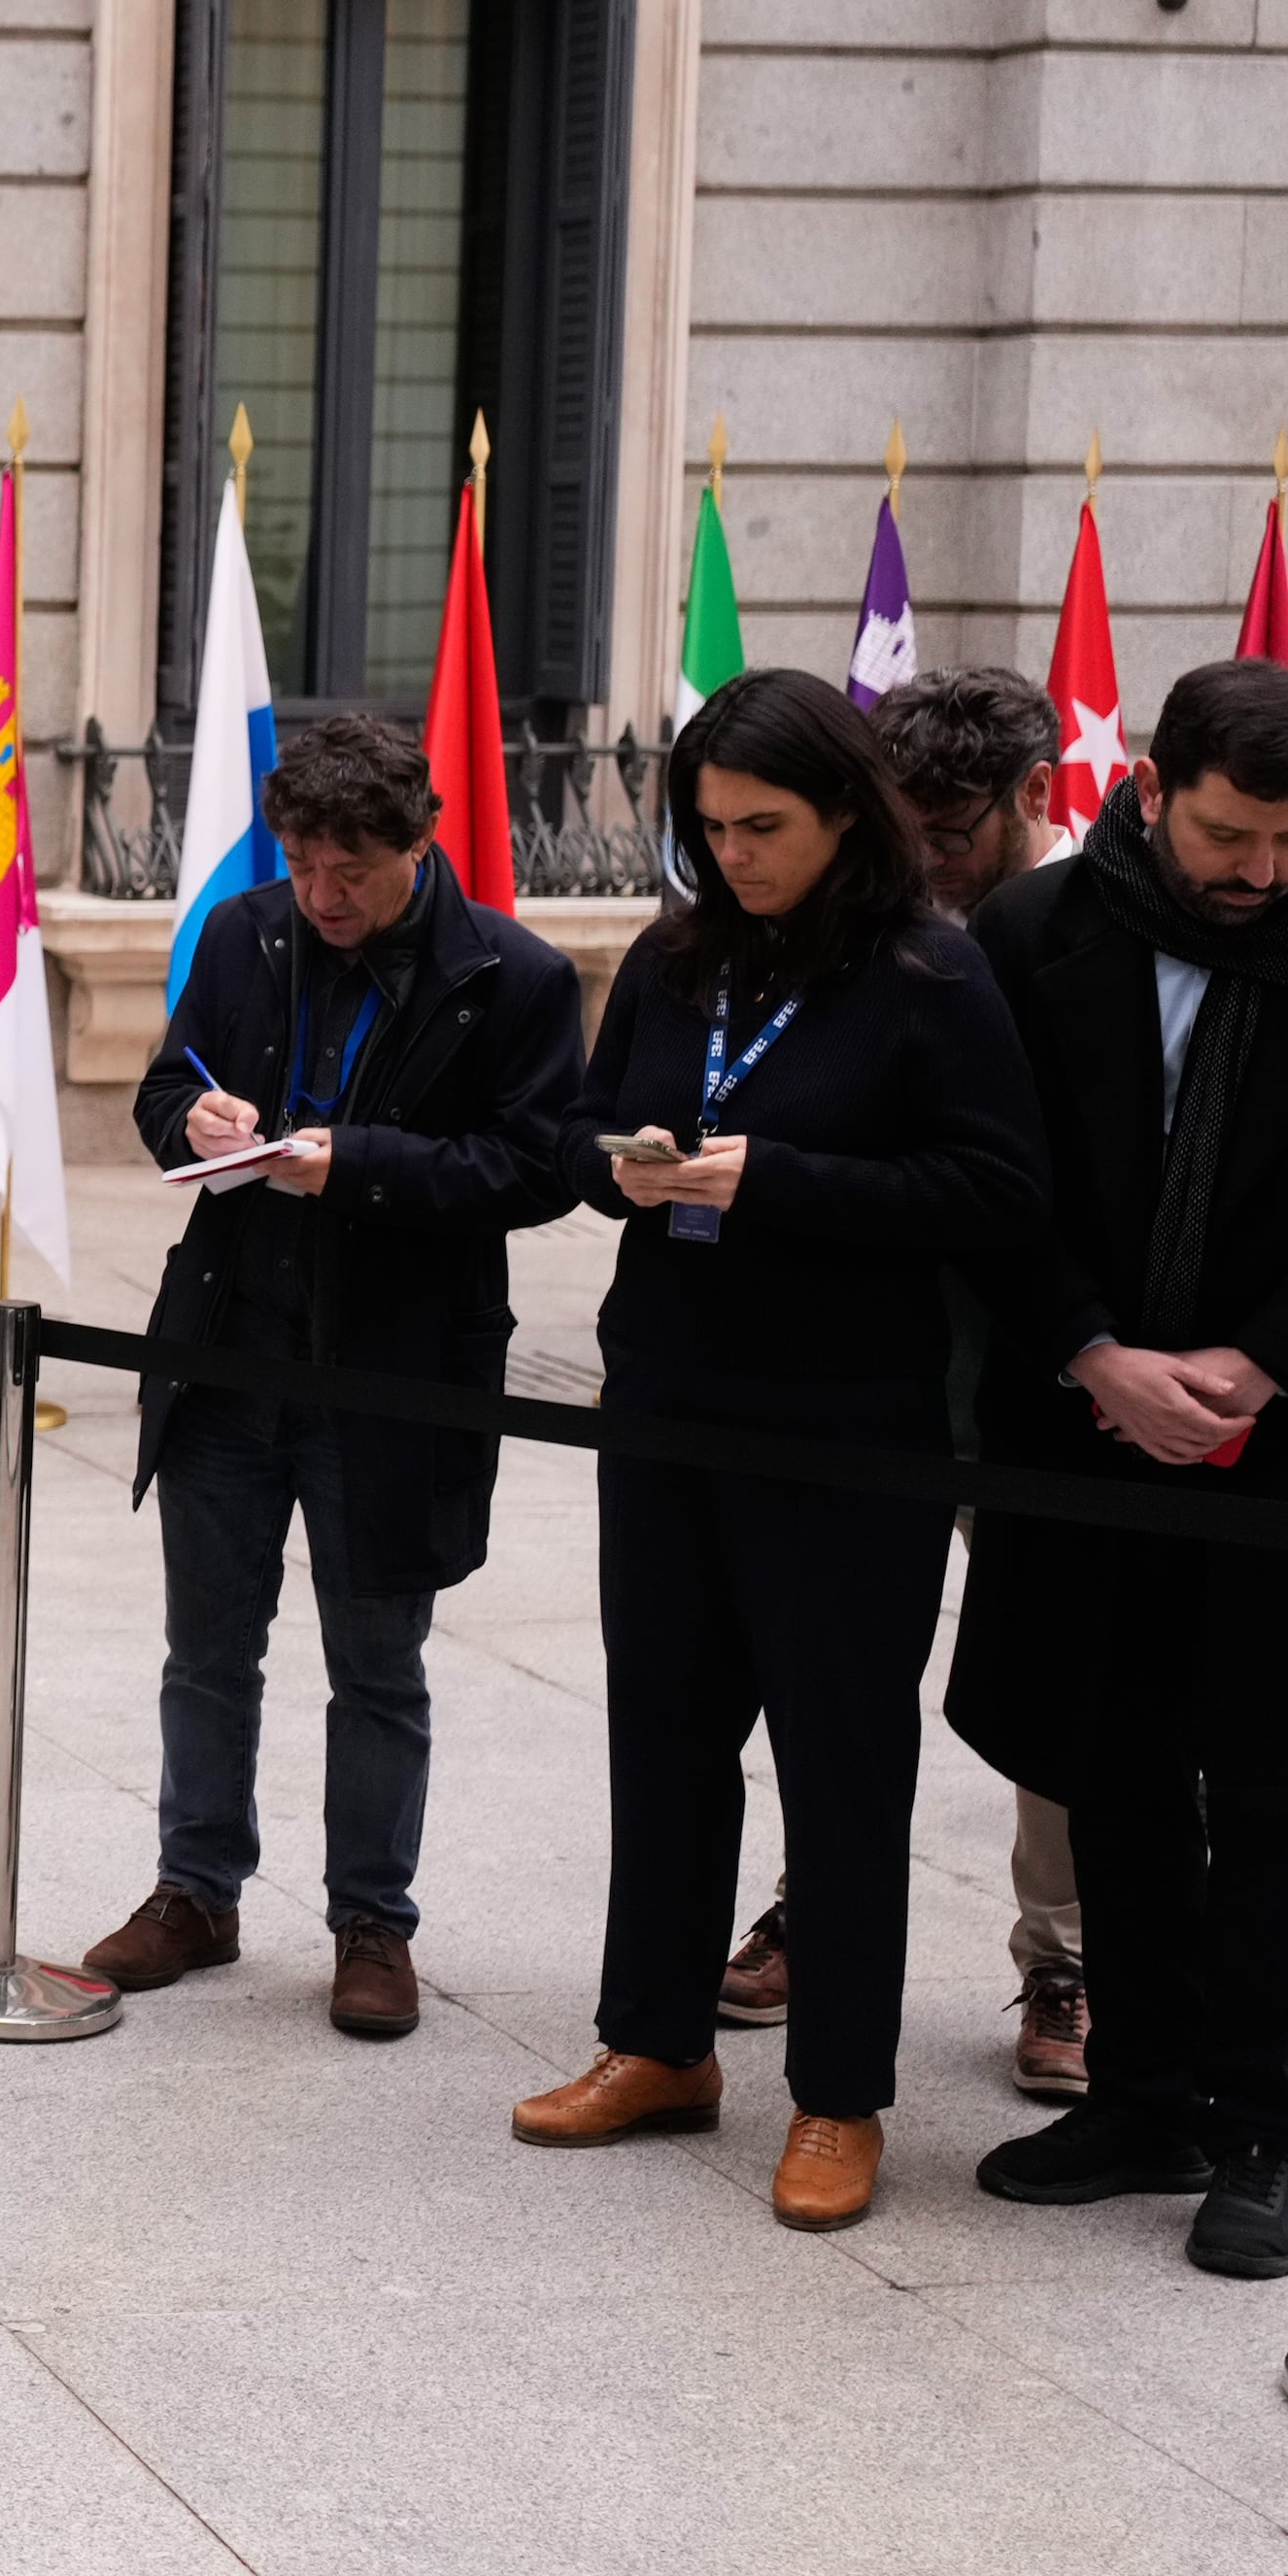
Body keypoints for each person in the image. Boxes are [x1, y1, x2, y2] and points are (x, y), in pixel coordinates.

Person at [513, 667, 1043, 2236]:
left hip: (847, 1432)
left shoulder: (929, 978)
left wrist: (784, 1180)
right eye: (709, 825)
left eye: (764, 826)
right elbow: (585, 1130)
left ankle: (837, 2095)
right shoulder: (678, 963)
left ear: (843, 818)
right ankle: (657, 2040)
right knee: (666, 1733)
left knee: (839, 1759)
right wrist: (623, 1166)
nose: (731, 853)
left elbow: (993, 1196)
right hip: (669, 1401)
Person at [96, 714, 586, 2035]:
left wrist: (355, 1161)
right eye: (305, 865)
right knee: (207, 1650)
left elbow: (542, 1169)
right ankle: (195, 1888)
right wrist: (191, 1119)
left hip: (392, 1372)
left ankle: (373, 1919)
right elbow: (161, 1091)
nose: (324, 897)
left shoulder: (513, 977)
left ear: (420, 844)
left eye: (352, 871)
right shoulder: (250, 933)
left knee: (379, 1665)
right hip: (229, 1352)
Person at [942, 659, 1288, 2281]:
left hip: (1284, 1442)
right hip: (1078, 1425)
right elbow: (992, 1178)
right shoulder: (1032, 938)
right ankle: (1144, 2096)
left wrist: (1264, 1360)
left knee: (1283, 1789)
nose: (1264, 871)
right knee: (1117, 1766)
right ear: (1151, 793)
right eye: (1234, 833)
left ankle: (1276, 2127)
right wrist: (1094, 1349)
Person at [717, 661, 1094, 2097]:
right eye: (904, 824)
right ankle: (827, 1904)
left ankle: (1064, 1959)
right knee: (838, 1666)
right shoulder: (858, 934)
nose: (927, 856)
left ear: (1031, 799)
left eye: (952, 829)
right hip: (869, 1362)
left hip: (1041, 1372)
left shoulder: (1069, 938)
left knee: (1052, 1676)